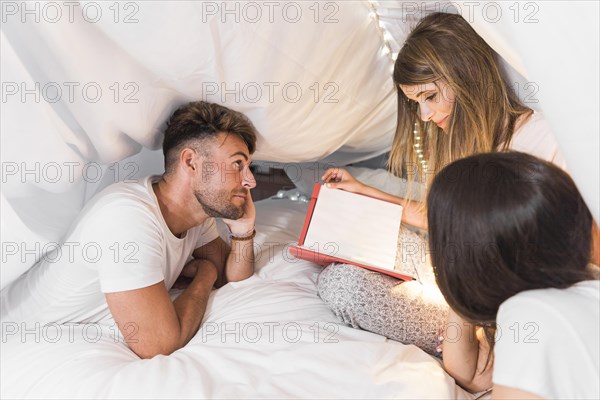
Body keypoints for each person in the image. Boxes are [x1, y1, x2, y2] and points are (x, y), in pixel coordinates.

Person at [317, 12, 598, 356]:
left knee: (344, 286)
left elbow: (581, 246)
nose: (425, 116)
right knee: (350, 244)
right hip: (451, 264)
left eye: (430, 97)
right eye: (416, 103)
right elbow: (445, 221)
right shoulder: (464, 143)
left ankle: (461, 345)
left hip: (489, 293)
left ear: (467, 76)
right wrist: (366, 192)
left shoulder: (541, 138)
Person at [1, 101, 259, 359]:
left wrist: (243, 231)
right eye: (237, 164)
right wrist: (205, 273)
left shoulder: (197, 216)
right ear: (191, 162)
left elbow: (230, 276)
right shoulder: (128, 218)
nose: (251, 181)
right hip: (16, 337)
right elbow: (159, 345)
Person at [428, 151, 599, 399]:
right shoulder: (572, 288)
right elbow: (470, 376)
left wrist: (464, 277)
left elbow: (472, 379)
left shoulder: (532, 311)